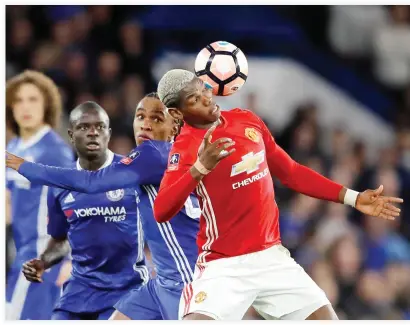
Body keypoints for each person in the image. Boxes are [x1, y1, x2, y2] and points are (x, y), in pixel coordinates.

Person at [152, 69, 404, 321]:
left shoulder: (246, 120)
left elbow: (291, 172)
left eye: (204, 89)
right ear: (176, 113)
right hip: (224, 265)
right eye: (194, 99)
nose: (206, 98)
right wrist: (200, 168)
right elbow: (161, 210)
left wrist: (353, 198)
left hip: (272, 258)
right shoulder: (184, 149)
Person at [6, 93, 261, 320]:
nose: (145, 124)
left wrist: (25, 166)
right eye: (140, 117)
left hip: (185, 279)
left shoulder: (153, 155)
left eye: (156, 119)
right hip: (160, 281)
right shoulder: (166, 155)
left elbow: (90, 183)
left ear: (174, 126)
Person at [21, 101, 149, 320]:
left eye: (99, 127)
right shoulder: (60, 183)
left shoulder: (133, 174)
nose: (92, 133)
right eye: (84, 127)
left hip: (127, 290)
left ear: (108, 133)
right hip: (79, 291)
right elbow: (60, 239)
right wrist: (43, 261)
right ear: (71, 135)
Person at [5, 70, 75, 320]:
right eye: (19, 100)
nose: (26, 107)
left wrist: (72, 259)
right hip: (18, 253)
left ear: (47, 104)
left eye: (33, 99)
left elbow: (75, 206)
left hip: (43, 257)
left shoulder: (54, 152)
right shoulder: (12, 148)